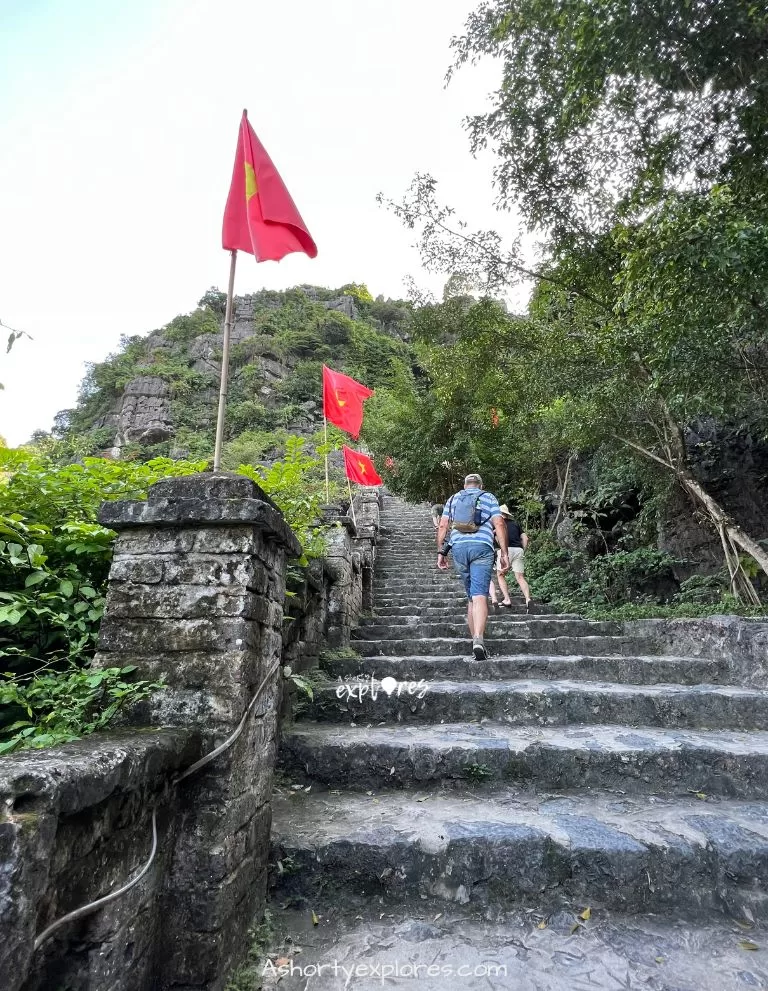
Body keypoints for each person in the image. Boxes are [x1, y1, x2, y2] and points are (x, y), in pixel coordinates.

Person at [436, 473, 509, 660]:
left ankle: (475, 641)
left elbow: (443, 525)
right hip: (482, 548)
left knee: (471, 598)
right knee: (479, 596)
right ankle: (478, 639)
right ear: (480, 485)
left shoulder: (453, 498)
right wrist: (504, 553)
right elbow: (499, 522)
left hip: (459, 548)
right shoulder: (488, 497)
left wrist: (441, 552)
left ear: (465, 485)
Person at [490, 504, 532, 612]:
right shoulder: (516, 524)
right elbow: (525, 538)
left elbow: (496, 537)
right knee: (520, 577)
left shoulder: (497, 524)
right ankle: (528, 599)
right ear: (507, 514)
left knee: (500, 575)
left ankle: (507, 599)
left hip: (505, 550)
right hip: (518, 550)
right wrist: (523, 549)